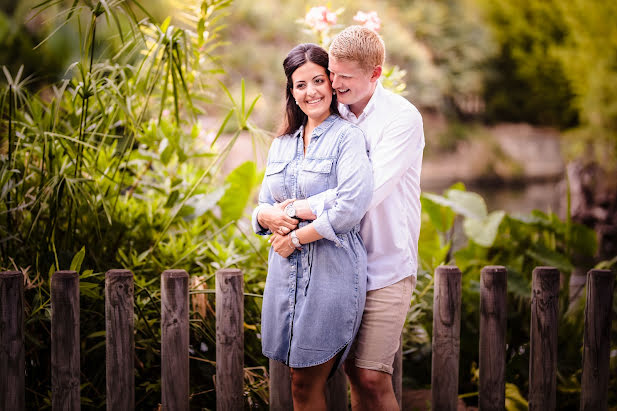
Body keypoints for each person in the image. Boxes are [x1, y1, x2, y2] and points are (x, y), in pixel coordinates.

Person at [260, 26, 425, 410]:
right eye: (330, 73)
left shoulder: (401, 119)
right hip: (334, 266)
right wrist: (267, 210)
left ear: (375, 74)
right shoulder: (335, 116)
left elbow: (362, 196)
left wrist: (293, 212)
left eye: (342, 77)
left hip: (384, 264)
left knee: (370, 377)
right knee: (348, 376)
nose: (332, 83)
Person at [251, 43, 373, 411]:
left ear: (332, 83)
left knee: (306, 382)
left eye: (318, 80)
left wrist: (296, 238)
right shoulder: (282, 144)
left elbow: (352, 206)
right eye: (300, 84)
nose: (311, 91)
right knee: (294, 381)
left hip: (330, 273)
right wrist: (263, 217)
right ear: (291, 91)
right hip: (284, 276)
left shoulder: (347, 138)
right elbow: (261, 204)